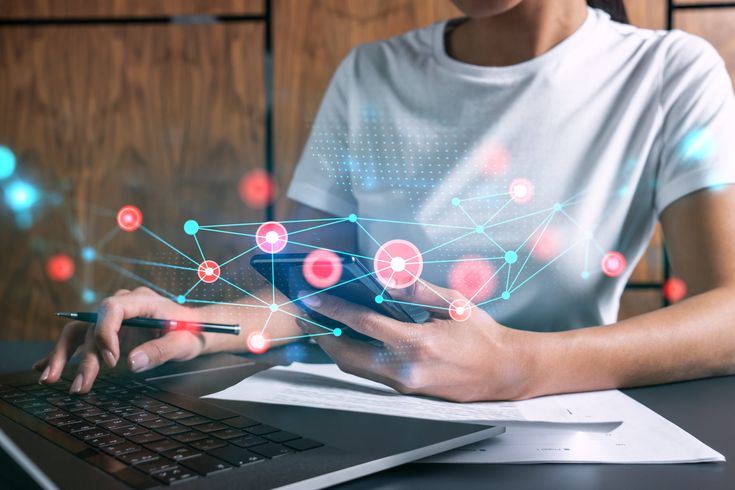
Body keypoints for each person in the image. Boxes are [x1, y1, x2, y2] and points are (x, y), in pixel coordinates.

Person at [34, 0, 735, 402]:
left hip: (572, 437)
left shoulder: (668, 73)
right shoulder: (372, 73)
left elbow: (728, 313)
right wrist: (195, 321)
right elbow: (309, 292)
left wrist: (522, 367)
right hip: (376, 425)